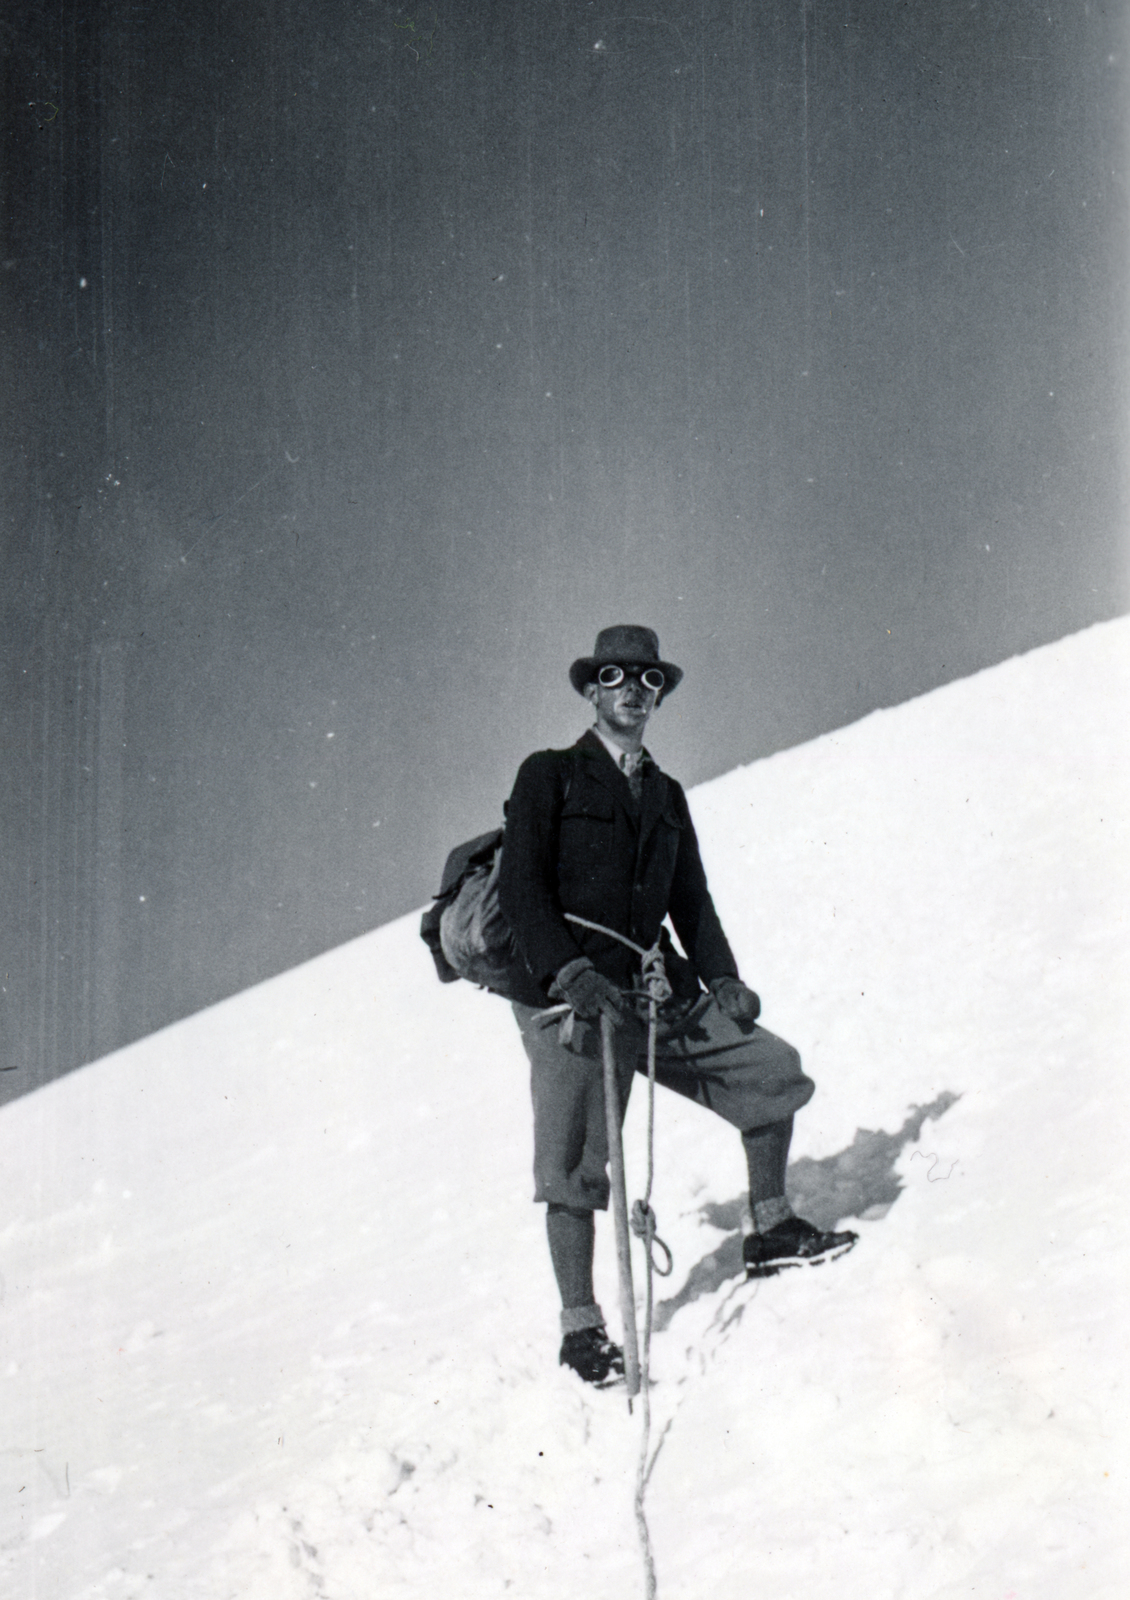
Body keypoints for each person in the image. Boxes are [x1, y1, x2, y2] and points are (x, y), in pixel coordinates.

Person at [497, 625, 857, 1386]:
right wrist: (567, 974)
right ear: (592, 690)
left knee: (769, 1069)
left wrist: (722, 978)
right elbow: (522, 889)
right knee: (575, 1164)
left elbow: (691, 902)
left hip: (655, 989)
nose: (633, 689)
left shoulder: (665, 794)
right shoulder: (551, 775)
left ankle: (769, 1228)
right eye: (617, 676)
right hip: (572, 1002)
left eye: (648, 679)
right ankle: (581, 1330)